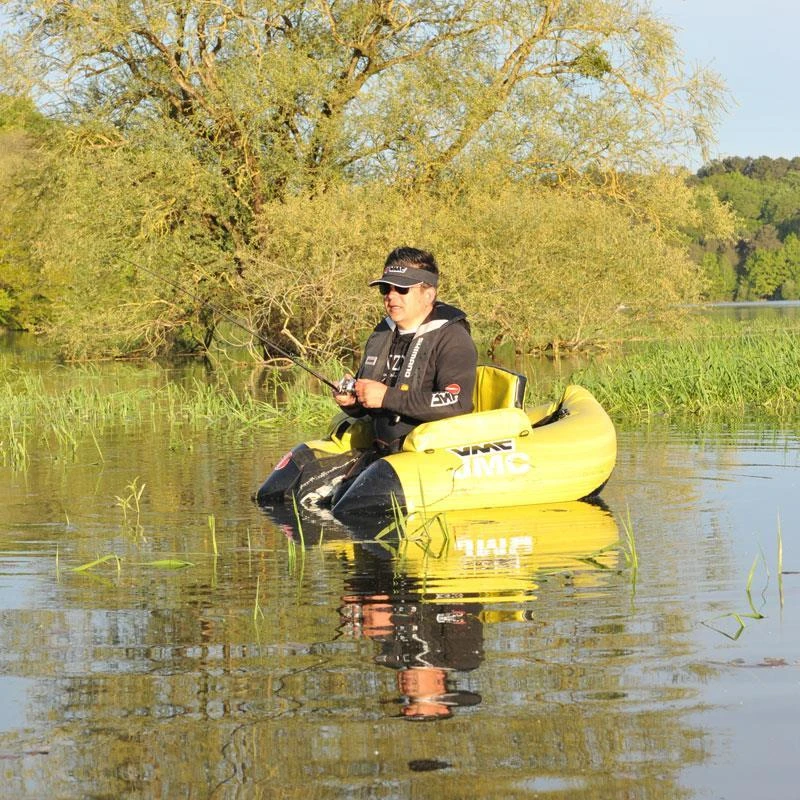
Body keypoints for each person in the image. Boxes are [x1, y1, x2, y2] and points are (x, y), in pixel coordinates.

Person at [333, 246, 477, 456]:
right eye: (386, 289)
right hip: (381, 452)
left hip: (426, 456)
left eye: (402, 289)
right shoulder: (383, 333)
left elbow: (458, 402)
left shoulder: (453, 338)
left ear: (428, 294)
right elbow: (371, 402)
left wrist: (387, 397)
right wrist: (352, 402)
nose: (391, 296)